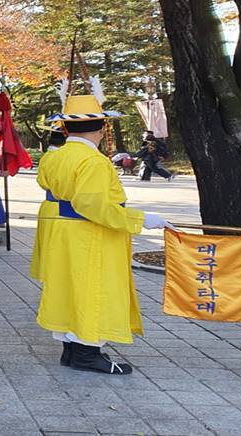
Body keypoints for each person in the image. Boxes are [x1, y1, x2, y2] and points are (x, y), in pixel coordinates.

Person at [36, 78, 172, 374]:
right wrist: (140, 219)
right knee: (91, 289)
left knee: (68, 288)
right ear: (101, 128)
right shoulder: (93, 161)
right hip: (89, 233)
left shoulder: (54, 157)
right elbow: (92, 205)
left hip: (64, 232)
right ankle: (86, 352)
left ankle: (71, 350)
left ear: (66, 128)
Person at [29, 123, 67, 283]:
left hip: (49, 206)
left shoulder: (47, 157)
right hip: (63, 207)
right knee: (59, 251)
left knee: (48, 248)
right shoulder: (63, 157)